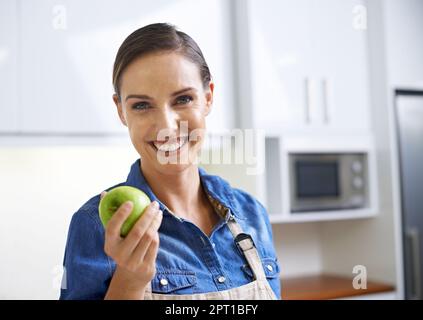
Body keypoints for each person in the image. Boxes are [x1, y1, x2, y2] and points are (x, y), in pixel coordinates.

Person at [60, 23, 280, 300]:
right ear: (121, 111)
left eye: (183, 99)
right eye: (141, 105)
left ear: (208, 97)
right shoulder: (97, 225)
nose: (166, 125)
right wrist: (130, 280)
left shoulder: (252, 214)